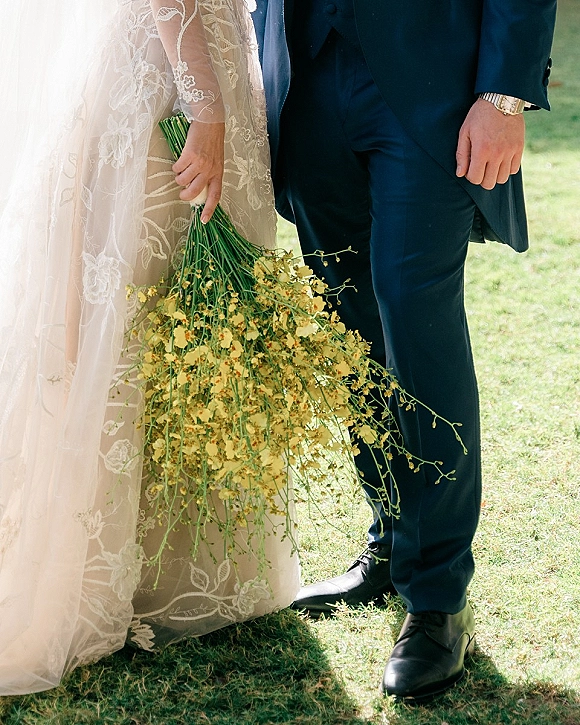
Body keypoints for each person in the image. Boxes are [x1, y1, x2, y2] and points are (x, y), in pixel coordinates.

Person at [252, 0, 557, 701]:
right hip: (305, 75)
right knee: (345, 320)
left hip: (433, 85)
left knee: (414, 315)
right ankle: (391, 538)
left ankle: (439, 595)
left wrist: (503, 93)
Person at [0, 0, 299, 695]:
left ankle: (157, 568)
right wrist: (205, 105)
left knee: (162, 317)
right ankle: (114, 572)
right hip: (173, 71)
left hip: (185, 53)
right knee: (144, 309)